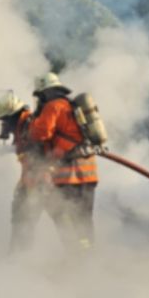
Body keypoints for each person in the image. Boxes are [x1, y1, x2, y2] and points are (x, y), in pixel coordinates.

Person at [28, 73, 99, 251]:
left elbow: (41, 133)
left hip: (70, 177)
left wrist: (33, 123)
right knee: (85, 218)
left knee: (65, 217)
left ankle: (76, 258)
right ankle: (89, 255)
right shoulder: (71, 106)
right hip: (89, 175)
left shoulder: (53, 106)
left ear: (44, 93)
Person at [0, 90, 50, 253]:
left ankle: (23, 257)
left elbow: (37, 156)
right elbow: (23, 154)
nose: (4, 126)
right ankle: (17, 254)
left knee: (27, 218)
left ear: (13, 116)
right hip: (29, 181)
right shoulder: (21, 127)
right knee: (20, 217)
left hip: (40, 181)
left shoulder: (30, 125)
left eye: (5, 120)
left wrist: (32, 186)